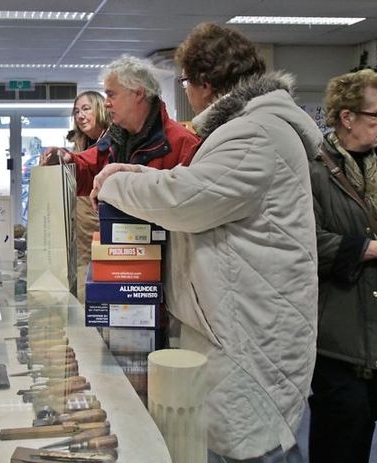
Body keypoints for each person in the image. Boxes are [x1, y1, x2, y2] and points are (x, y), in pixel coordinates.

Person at [90, 23, 322, 462]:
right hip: (242, 322)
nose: (187, 93)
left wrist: (114, 184)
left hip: (250, 335)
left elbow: (187, 200)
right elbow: (197, 185)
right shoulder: (252, 128)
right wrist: (135, 174)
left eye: (185, 82)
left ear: (204, 84)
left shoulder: (258, 133)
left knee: (252, 447)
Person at [308, 69, 377, 463]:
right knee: (339, 431)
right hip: (336, 334)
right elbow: (304, 244)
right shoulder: (313, 171)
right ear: (346, 117)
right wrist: (370, 248)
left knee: (368, 420)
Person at [43, 55, 201, 196]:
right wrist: (65, 160)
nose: (106, 104)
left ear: (138, 93)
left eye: (111, 95)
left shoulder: (184, 143)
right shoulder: (113, 140)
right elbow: (88, 170)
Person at [39, 91, 112, 300]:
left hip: (99, 233)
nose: (80, 116)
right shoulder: (84, 144)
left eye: (86, 109)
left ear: (101, 108)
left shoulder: (111, 143)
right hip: (81, 235)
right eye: (77, 111)